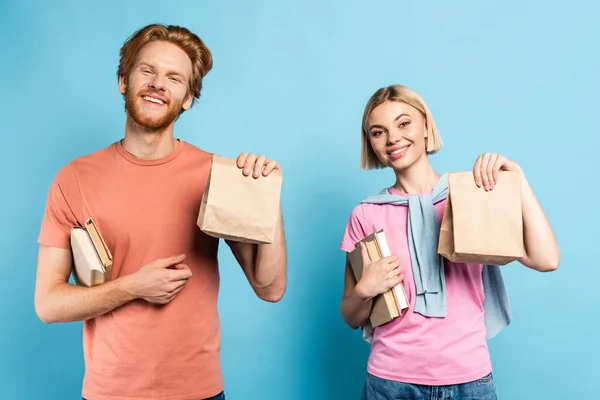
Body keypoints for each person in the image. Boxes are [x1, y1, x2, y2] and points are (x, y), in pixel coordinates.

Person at [34, 23, 287, 400]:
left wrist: (267, 194)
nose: (157, 84)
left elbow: (270, 287)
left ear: (187, 98)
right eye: (147, 71)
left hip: (198, 391)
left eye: (174, 77)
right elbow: (48, 303)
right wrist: (133, 287)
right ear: (124, 80)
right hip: (110, 392)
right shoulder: (75, 179)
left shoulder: (216, 175)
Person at [339, 84, 560, 399]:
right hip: (390, 382)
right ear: (371, 143)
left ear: (426, 126)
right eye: (378, 132)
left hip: (469, 381)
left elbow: (547, 259)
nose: (392, 138)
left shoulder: (472, 195)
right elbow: (351, 315)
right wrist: (365, 289)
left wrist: (517, 179)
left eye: (404, 123)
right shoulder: (366, 214)